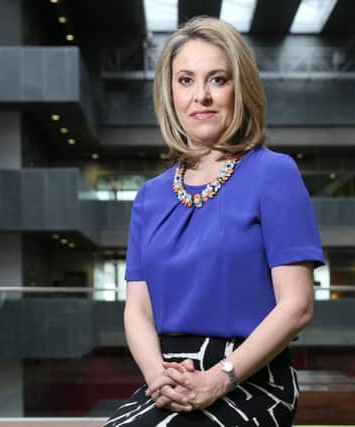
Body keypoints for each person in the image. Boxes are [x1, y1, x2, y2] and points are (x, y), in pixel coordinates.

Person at [104, 16, 325, 427]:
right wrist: (158, 377)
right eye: (185, 80)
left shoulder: (273, 173)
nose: (201, 96)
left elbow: (297, 306)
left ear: (239, 89)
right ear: (169, 93)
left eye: (217, 79)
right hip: (169, 376)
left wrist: (218, 379)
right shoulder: (150, 197)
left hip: (251, 375)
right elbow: (137, 311)